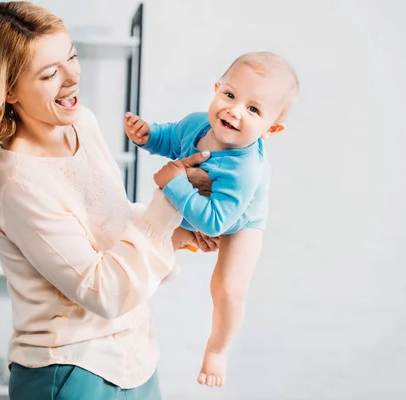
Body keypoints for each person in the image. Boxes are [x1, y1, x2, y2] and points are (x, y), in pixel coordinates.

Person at [0, 2, 217, 399]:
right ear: (8, 89)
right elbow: (104, 292)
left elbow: (109, 223)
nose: (72, 77)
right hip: (71, 372)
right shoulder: (17, 185)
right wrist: (167, 200)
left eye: (71, 56)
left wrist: (176, 232)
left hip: (136, 358)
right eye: (49, 73)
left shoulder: (83, 124)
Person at [125, 51, 300, 387]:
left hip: (238, 224)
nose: (234, 110)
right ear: (217, 88)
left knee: (228, 288)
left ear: (272, 128)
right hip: (196, 205)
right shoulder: (197, 123)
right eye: (230, 95)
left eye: (253, 109)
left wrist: (174, 183)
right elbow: (172, 136)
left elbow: (216, 223)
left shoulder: (244, 168)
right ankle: (135, 292)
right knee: (148, 247)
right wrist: (148, 136)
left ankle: (218, 350)